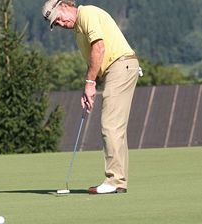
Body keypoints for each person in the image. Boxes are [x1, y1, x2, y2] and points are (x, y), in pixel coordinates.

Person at [42, 0, 140, 194]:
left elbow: (99, 47)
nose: (60, 24)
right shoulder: (78, 31)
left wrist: (90, 84)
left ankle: (114, 181)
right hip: (118, 68)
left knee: (110, 125)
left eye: (58, 18)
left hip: (120, 66)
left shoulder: (86, 14)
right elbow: (93, 61)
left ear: (64, 5)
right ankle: (118, 181)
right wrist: (89, 86)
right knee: (116, 127)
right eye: (55, 24)